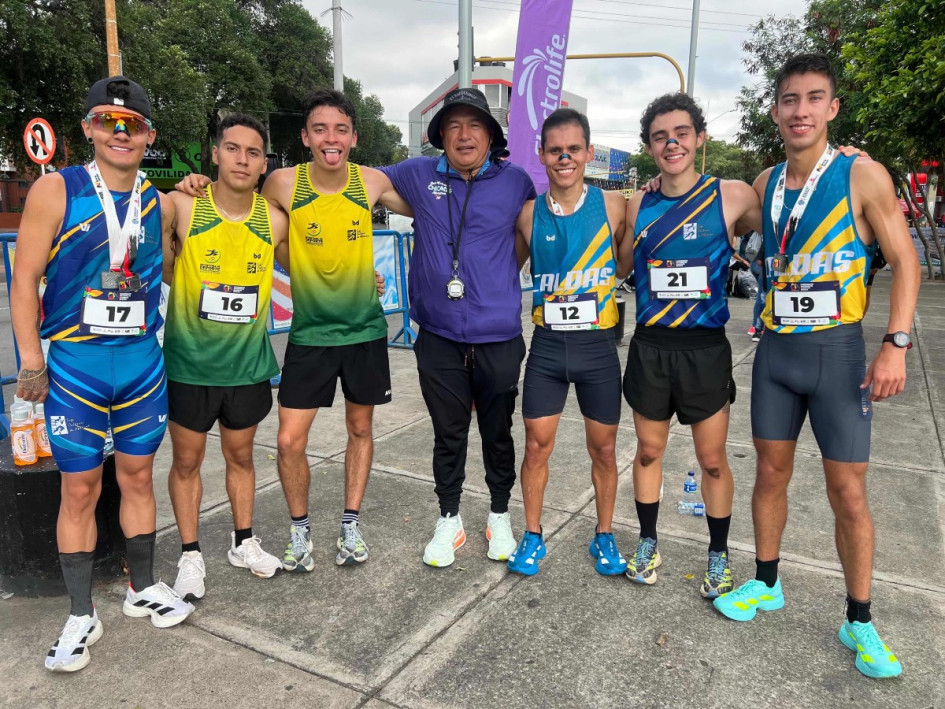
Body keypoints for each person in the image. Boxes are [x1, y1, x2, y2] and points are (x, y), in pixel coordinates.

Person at [712, 54, 921, 680]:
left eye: (814, 98)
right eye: (789, 99)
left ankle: (859, 619)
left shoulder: (863, 175)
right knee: (769, 475)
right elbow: (718, 216)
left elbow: (905, 263)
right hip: (776, 355)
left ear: (832, 108)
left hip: (838, 355)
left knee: (848, 493)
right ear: (775, 110)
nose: (800, 110)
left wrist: (897, 343)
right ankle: (767, 583)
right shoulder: (765, 181)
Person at [178, 89, 406, 572]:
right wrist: (192, 184)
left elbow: (430, 205)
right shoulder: (281, 183)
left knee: (360, 427)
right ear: (304, 137)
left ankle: (350, 525)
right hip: (309, 336)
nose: (331, 139)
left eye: (341, 129)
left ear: (354, 137)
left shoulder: (372, 181)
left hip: (365, 332)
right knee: (287, 441)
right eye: (320, 129)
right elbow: (237, 211)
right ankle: (299, 530)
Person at [11, 76, 193, 673]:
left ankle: (142, 586)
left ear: (149, 136)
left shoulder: (159, 201)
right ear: (87, 127)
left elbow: (171, 269)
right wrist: (30, 362)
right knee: (79, 488)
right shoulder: (54, 190)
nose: (120, 133)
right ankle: (79, 614)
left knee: (139, 477)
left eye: (132, 124)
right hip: (75, 368)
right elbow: (22, 281)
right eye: (106, 122)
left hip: (140, 365)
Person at [381, 88, 536, 567]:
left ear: (491, 135)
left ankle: (499, 514)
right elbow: (353, 182)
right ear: (439, 136)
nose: (464, 135)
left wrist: (496, 279)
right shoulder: (415, 174)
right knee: (448, 433)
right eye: (453, 126)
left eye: (475, 125)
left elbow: (527, 234)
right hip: (439, 336)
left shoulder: (516, 182)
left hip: (498, 336)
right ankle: (449, 518)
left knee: (498, 432)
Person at [615, 93, 762, 599]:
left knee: (713, 459)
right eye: (660, 136)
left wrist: (847, 158)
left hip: (705, 349)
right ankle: (648, 541)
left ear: (700, 138)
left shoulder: (733, 194)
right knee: (649, 451)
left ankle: (718, 555)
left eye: (681, 133)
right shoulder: (641, 201)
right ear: (649, 148)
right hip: (651, 346)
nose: (671, 142)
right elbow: (620, 265)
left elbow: (783, 199)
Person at [163, 114, 290, 599]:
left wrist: (371, 282)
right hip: (190, 365)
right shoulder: (182, 206)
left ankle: (243, 541)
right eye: (232, 149)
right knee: (188, 461)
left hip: (247, 366)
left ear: (263, 163)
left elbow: (309, 266)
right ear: (214, 154)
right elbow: (166, 268)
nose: (242, 159)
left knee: (241, 456)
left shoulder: (274, 219)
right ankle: (191, 554)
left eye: (252, 152)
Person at [506, 109, 628, 576]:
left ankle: (604, 535)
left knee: (604, 449)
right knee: (537, 446)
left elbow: (632, 257)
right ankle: (532, 535)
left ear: (589, 153)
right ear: (541, 155)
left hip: (598, 349)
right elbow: (505, 273)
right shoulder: (529, 214)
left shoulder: (616, 205)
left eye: (573, 149)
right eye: (555, 150)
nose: (564, 157)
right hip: (548, 347)